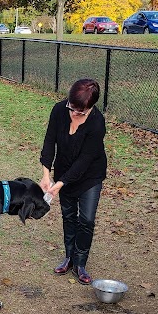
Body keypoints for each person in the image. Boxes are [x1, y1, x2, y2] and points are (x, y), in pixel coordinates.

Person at [39, 78, 107, 285]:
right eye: (72, 107)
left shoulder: (97, 123)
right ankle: (69, 258)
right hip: (64, 170)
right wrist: (46, 174)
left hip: (89, 176)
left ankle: (80, 263)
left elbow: (84, 161)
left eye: (81, 111)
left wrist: (59, 185)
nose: (75, 113)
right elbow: (50, 141)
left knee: (86, 219)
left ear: (91, 106)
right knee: (68, 216)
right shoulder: (59, 110)